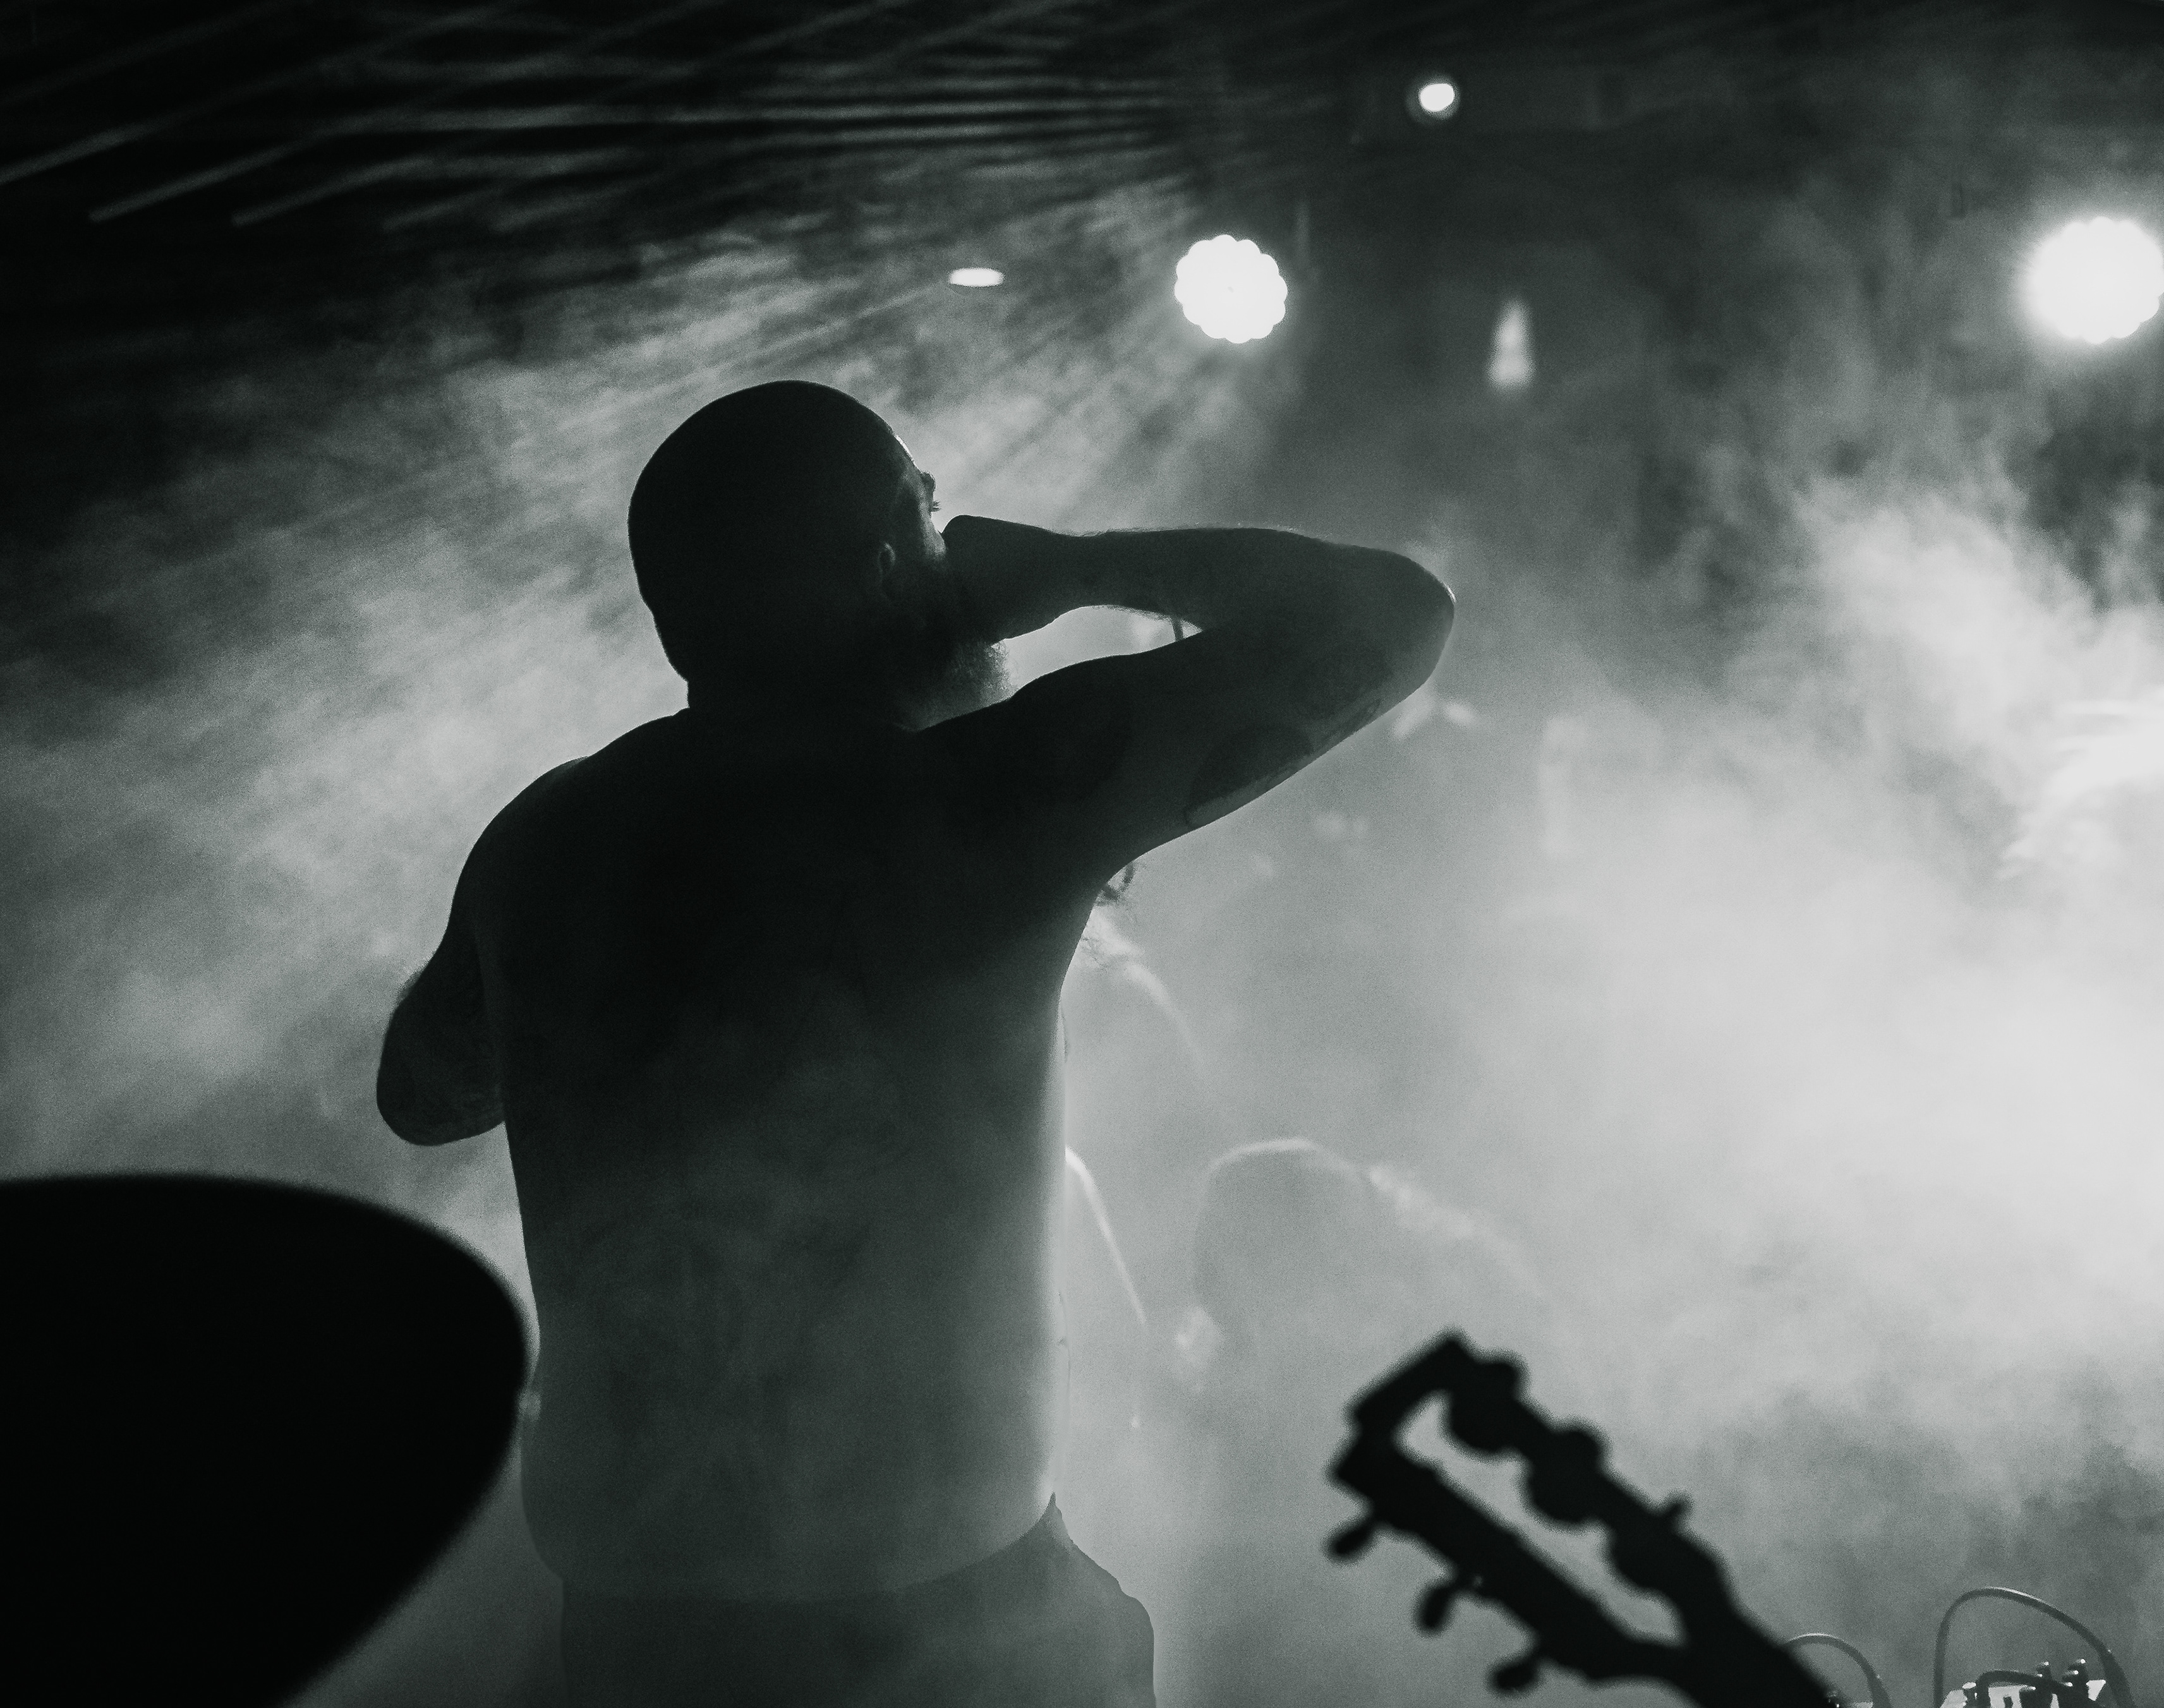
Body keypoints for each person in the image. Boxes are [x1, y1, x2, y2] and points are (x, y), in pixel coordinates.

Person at [375, 380, 1454, 1707]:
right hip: (938, 1641)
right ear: (893, 566)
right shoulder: (977, 807)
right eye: (932, 522)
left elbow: (421, 1095)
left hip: (640, 1639)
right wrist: (1076, 570)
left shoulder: (545, 842)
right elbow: (1396, 617)